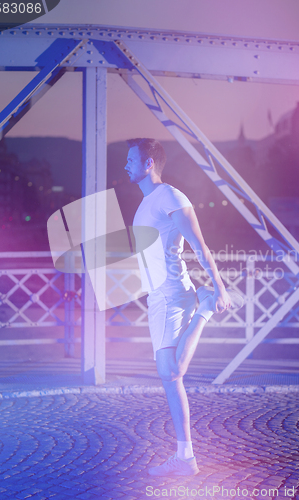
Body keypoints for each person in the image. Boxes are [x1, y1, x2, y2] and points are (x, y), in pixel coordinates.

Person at [125, 138, 243, 476]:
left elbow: (200, 246)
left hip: (172, 292)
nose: (125, 165)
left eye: (131, 160)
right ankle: (185, 457)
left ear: (149, 164)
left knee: (171, 372)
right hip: (158, 294)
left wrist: (218, 288)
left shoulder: (171, 197)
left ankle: (204, 307)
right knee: (170, 377)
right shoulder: (147, 203)